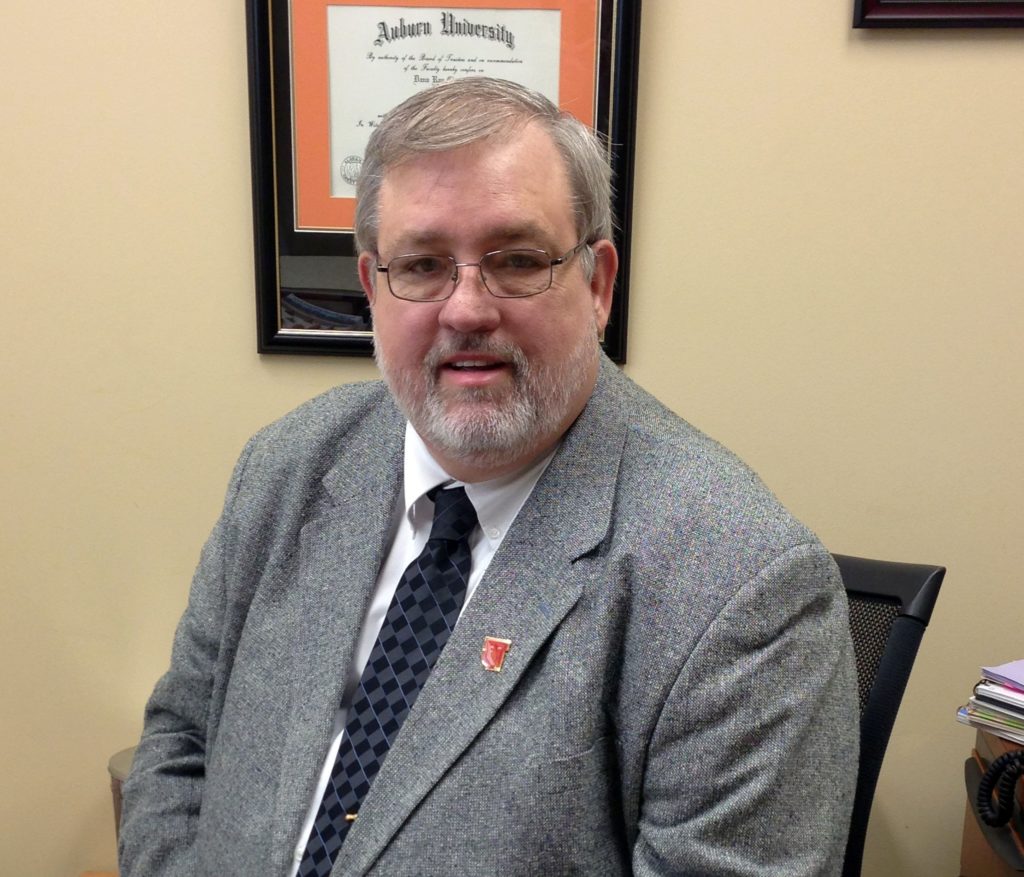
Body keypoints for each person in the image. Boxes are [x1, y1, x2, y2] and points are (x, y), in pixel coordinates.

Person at [119, 77, 858, 876]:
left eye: (515, 260)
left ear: (598, 284)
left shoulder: (742, 583)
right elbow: (181, 743)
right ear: (372, 290)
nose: (466, 308)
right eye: (424, 264)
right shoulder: (287, 465)